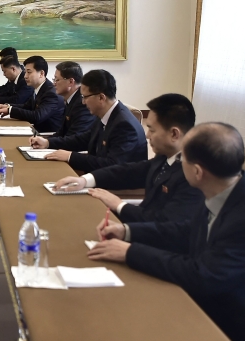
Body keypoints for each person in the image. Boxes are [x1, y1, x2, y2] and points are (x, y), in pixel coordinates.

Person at [88, 122, 245, 341]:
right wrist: (128, 232)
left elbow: (203, 275)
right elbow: (187, 231)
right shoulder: (224, 189)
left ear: (198, 172)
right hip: (212, 308)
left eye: (183, 160)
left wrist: (130, 253)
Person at [55, 93, 204, 224]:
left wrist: (119, 205)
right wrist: (85, 180)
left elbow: (167, 225)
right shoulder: (165, 157)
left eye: (152, 130)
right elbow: (129, 171)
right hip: (140, 229)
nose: (147, 135)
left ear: (174, 134)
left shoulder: (192, 174)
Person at [30, 69, 145, 173]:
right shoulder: (105, 114)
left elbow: (112, 165)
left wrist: (70, 156)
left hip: (116, 183)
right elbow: (84, 139)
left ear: (101, 97)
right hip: (98, 175)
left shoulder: (124, 125)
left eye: (85, 97)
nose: (83, 102)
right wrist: (48, 143)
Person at [0, 55, 64, 133]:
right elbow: (27, 106)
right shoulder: (39, 88)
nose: (25, 76)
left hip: (46, 135)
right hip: (34, 131)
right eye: (25, 72)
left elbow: (37, 116)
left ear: (41, 73)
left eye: (29, 72)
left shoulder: (51, 93)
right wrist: (8, 106)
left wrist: (10, 110)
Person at [47, 61, 96, 139]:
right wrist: (45, 141)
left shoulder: (82, 103)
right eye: (54, 79)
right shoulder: (71, 99)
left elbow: (74, 138)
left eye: (57, 80)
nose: (54, 83)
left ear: (71, 82)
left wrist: (47, 143)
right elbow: (62, 132)